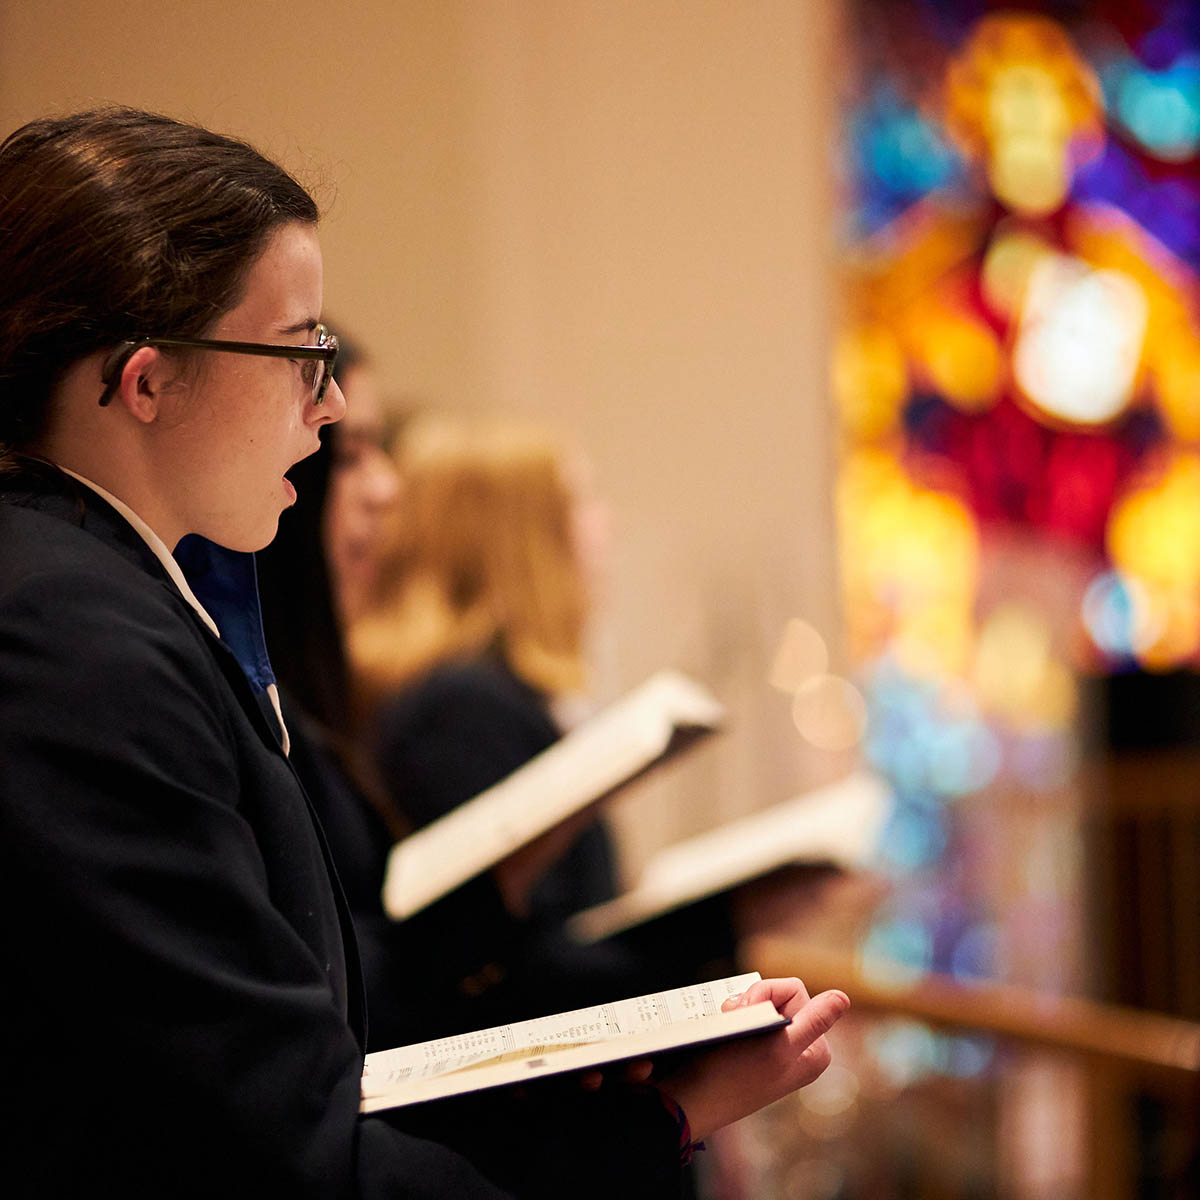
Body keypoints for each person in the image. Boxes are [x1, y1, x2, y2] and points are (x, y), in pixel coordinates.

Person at [0, 106, 848, 1198]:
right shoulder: (74, 644)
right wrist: (656, 1122)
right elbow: (271, 1152)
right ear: (146, 381)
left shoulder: (98, 604)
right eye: (303, 353)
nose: (334, 403)